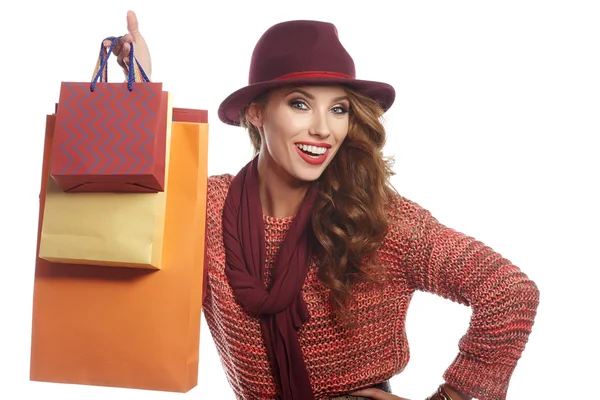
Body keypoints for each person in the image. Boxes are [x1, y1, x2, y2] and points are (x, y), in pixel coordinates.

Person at [106, 10, 540, 400]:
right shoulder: (205, 207)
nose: (322, 129)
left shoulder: (378, 218)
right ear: (256, 113)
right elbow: (126, 220)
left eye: (338, 109)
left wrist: (454, 396)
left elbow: (509, 292)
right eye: (300, 104)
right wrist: (136, 95)